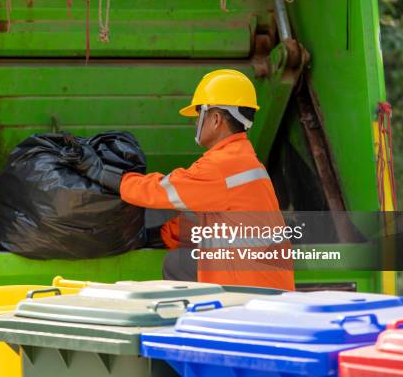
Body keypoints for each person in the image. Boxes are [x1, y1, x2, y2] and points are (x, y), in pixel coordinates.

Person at [75, 69, 294, 290]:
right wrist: (160, 235)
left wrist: (103, 175)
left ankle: (205, 319)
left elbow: (159, 190)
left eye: (199, 114)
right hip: (268, 280)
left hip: (250, 291)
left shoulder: (220, 167)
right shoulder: (246, 161)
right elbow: (199, 220)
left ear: (216, 119)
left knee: (176, 263)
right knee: (181, 263)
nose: (195, 122)